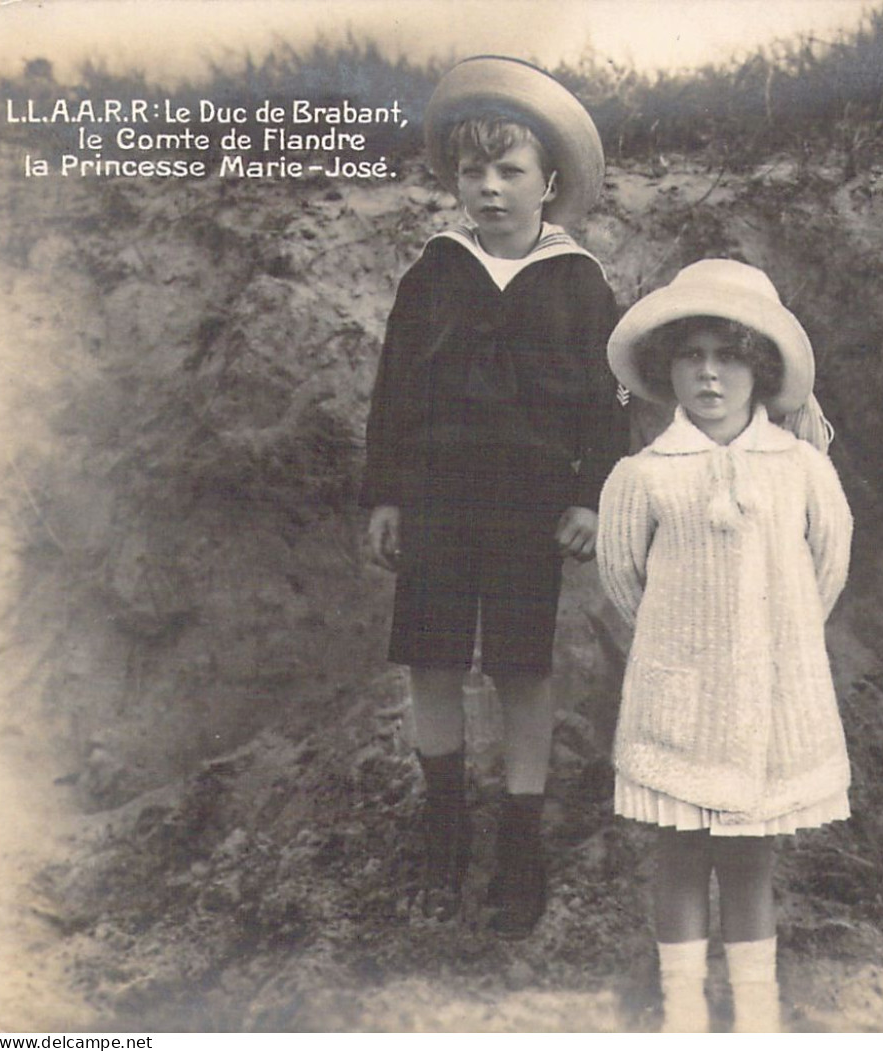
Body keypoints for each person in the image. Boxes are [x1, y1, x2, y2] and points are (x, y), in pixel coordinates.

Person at [361, 56, 625, 937]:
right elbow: (393, 392)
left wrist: (589, 495)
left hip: (527, 509)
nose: (489, 188)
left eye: (509, 171)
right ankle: (443, 825)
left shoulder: (579, 282)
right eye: (473, 171)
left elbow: (607, 399)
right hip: (436, 498)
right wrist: (386, 495)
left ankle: (521, 838)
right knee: (432, 658)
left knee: (521, 667)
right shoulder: (433, 272)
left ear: (549, 182)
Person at [597, 260, 852, 1033]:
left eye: (729, 355)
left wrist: (771, 644)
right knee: (678, 849)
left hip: (771, 693)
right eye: (691, 355)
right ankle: (682, 1008)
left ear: (760, 368)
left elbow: (824, 571)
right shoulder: (643, 476)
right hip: (678, 692)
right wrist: (686, 643)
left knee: (749, 855)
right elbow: (623, 581)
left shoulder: (802, 469)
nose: (709, 373)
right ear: (666, 367)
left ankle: (756, 1009)